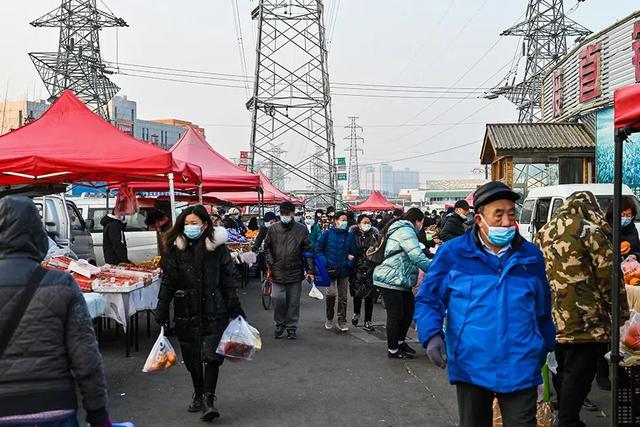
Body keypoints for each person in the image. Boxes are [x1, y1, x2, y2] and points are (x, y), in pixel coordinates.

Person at [415, 181, 555, 427]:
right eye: (498, 215)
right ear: (479, 219)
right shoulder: (453, 253)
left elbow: (542, 308)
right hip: (472, 363)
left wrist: (545, 344)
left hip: (521, 361)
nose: (506, 221)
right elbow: (429, 298)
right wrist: (431, 334)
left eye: (511, 214)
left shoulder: (530, 256)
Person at [0, 196, 111, 427]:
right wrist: (98, 414)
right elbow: (86, 357)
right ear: (38, 232)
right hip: (53, 408)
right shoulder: (61, 283)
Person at [535, 191, 628, 426]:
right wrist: (621, 314)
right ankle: (568, 421)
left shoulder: (543, 233)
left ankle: (565, 416)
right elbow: (610, 276)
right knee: (579, 375)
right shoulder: (591, 232)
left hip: (553, 318)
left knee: (562, 369)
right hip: (586, 321)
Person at [155, 205, 245, 421]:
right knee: (192, 356)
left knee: (212, 357)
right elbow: (168, 281)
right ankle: (198, 391)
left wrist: (235, 310)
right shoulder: (176, 249)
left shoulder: (219, 249)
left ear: (205, 224)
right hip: (186, 310)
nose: (189, 227)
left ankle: (208, 400)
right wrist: (161, 309)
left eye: (194, 223)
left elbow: (228, 281)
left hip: (216, 309)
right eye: (186, 223)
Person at [373, 207, 430, 359]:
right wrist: (435, 269)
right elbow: (416, 256)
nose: (421, 226)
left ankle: (400, 342)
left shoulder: (403, 228)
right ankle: (393, 349)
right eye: (422, 222)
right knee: (396, 315)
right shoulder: (406, 230)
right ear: (417, 220)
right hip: (391, 278)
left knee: (408, 312)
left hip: (400, 278)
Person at [263, 201, 315, 339]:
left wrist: (310, 271)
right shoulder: (273, 229)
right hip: (277, 269)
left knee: (293, 302)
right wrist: (270, 262)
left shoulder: (301, 229)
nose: (284, 216)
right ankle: (280, 324)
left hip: (295, 270)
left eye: (287, 213)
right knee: (277, 298)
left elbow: (308, 250)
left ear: (293, 213)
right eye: (282, 213)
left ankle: (291, 327)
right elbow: (266, 246)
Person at [316, 211, 356, 332]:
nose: (344, 222)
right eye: (342, 220)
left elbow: (353, 252)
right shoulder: (327, 234)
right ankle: (329, 318)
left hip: (344, 270)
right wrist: (325, 261)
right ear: (335, 221)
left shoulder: (349, 236)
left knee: (343, 297)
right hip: (330, 269)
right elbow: (318, 249)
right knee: (331, 294)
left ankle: (341, 321)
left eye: (345, 220)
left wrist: (350, 262)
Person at [350, 214, 379, 331]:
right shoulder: (352, 235)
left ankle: (368, 320)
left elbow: (377, 249)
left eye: (368, 222)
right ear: (358, 224)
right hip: (356, 267)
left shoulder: (375, 235)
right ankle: (356, 313)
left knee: (369, 295)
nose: (367, 224)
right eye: (364, 222)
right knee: (357, 293)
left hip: (370, 267)